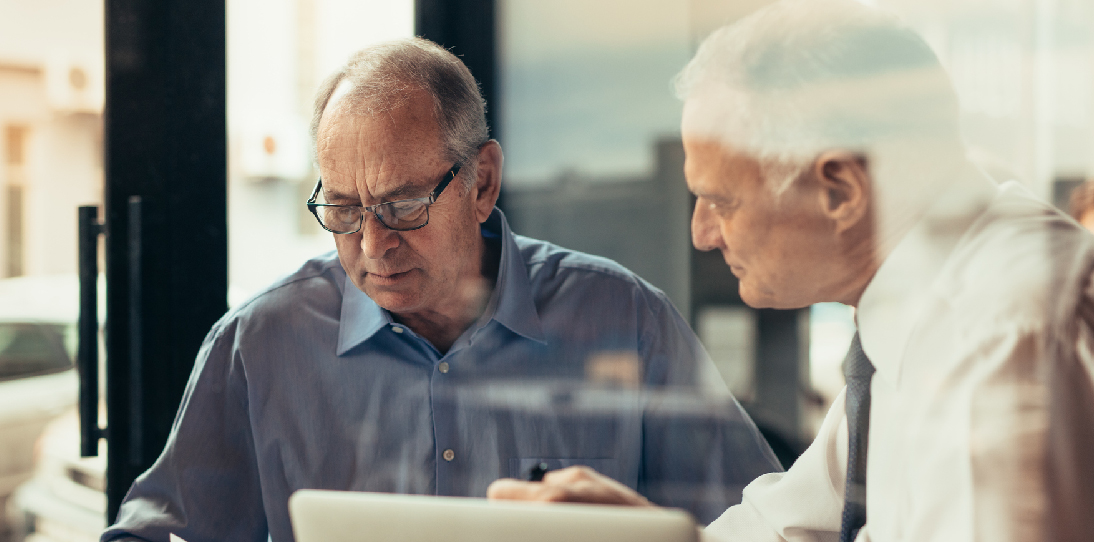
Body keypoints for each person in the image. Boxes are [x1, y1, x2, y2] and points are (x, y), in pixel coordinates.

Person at [100, 38, 782, 542]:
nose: (372, 246)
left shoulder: (626, 320)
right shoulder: (261, 343)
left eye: (403, 205)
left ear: (482, 181)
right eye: (342, 210)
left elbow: (759, 523)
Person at [488, 1, 1094, 541]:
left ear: (840, 189)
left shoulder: (996, 334)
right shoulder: (917, 312)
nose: (701, 234)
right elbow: (787, 528)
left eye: (722, 201)